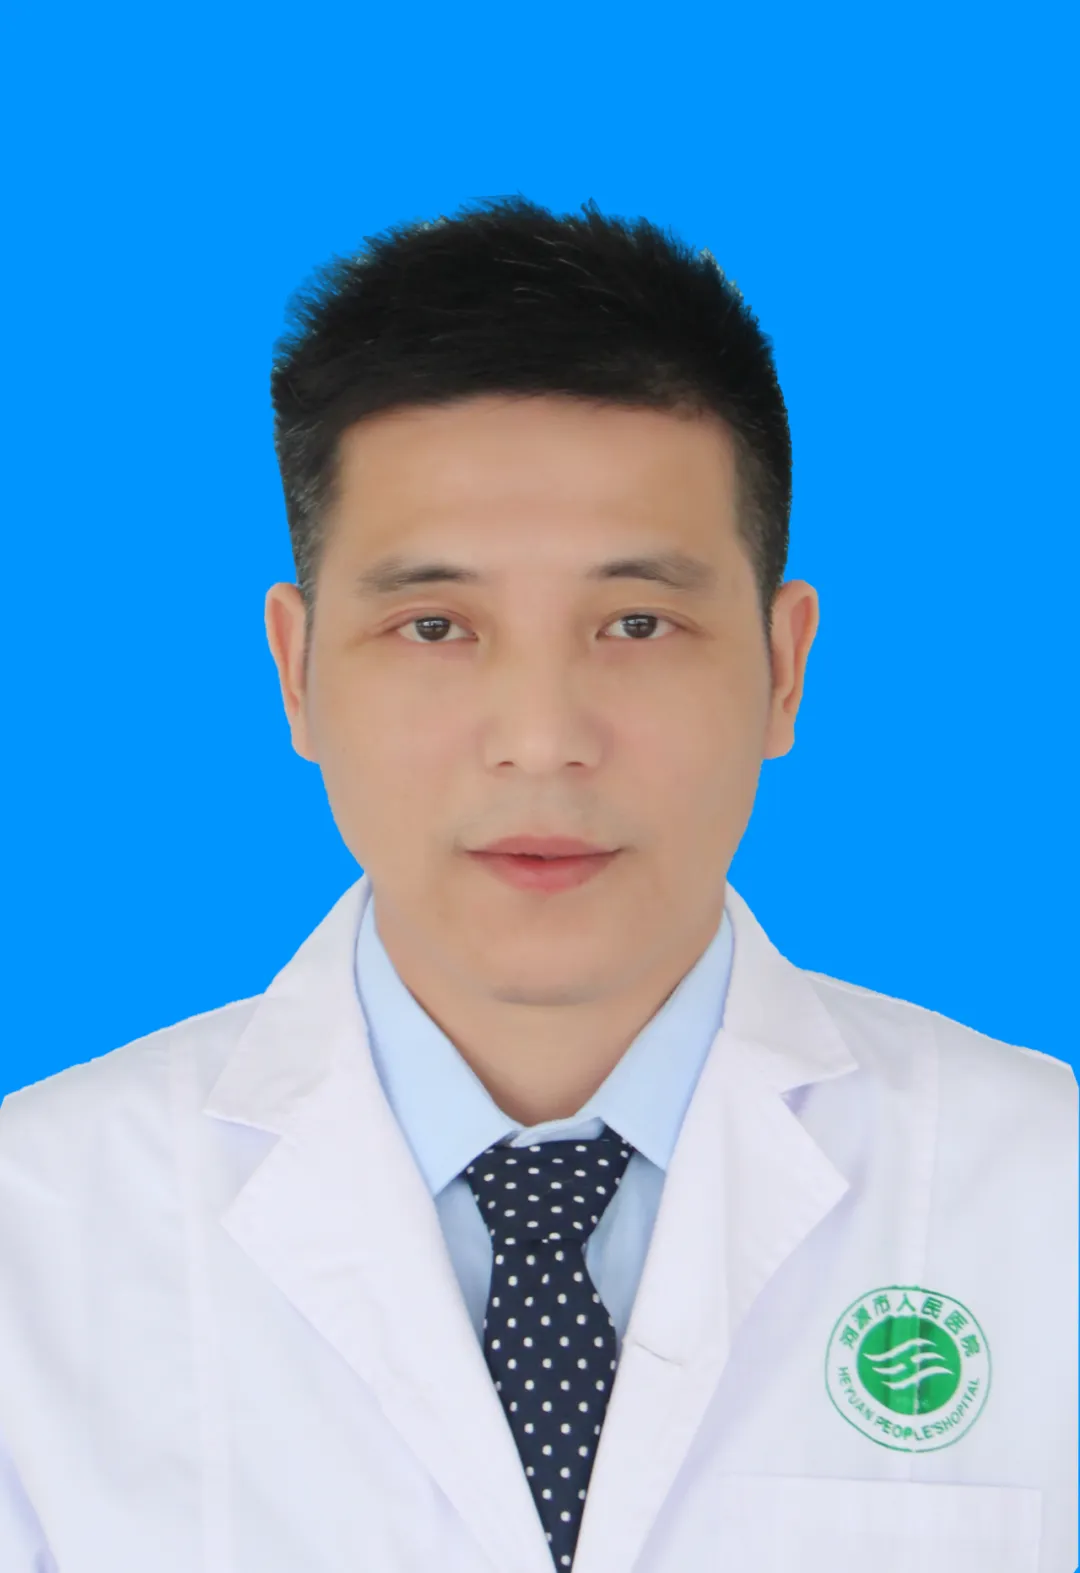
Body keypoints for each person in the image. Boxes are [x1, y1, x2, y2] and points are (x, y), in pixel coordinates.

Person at [0, 195, 1074, 1573]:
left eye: (637, 621)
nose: (543, 736)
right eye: (434, 626)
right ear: (298, 670)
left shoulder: (1045, 1199)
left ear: (784, 666)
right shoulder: (37, 1239)